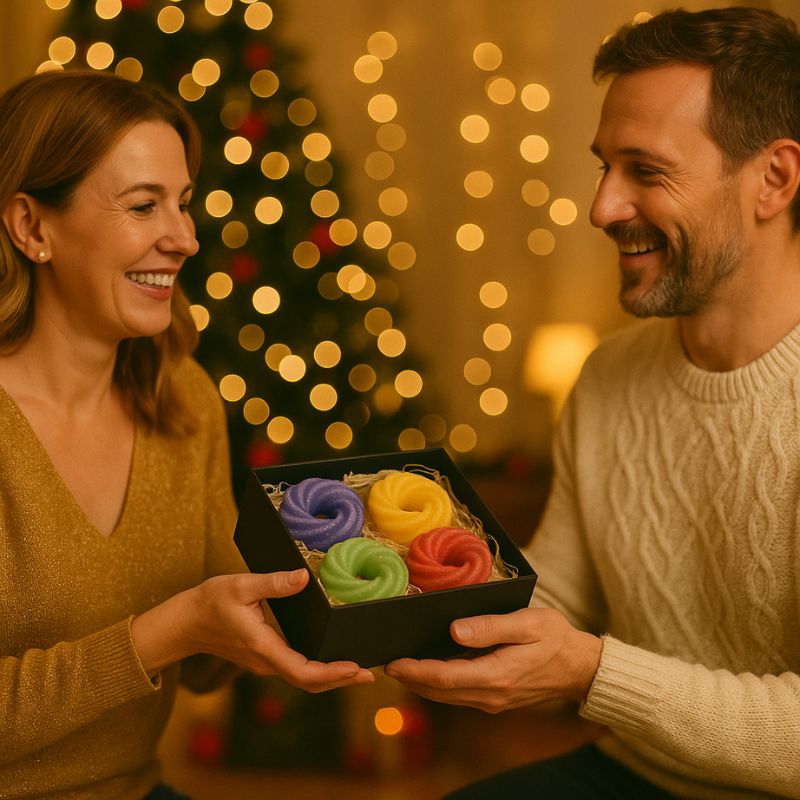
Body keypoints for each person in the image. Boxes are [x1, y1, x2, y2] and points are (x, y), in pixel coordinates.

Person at [386, 7, 800, 799]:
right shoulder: (608, 376)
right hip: (642, 774)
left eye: (646, 171)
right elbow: (555, 597)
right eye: (605, 167)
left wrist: (593, 670)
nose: (602, 207)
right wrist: (394, 599)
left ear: (774, 180)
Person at [0, 69, 374, 800]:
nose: (184, 238)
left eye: (183, 203)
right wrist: (167, 631)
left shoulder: (185, 400)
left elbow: (207, 660)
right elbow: (181, 632)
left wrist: (326, 591)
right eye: (143, 206)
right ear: (32, 227)